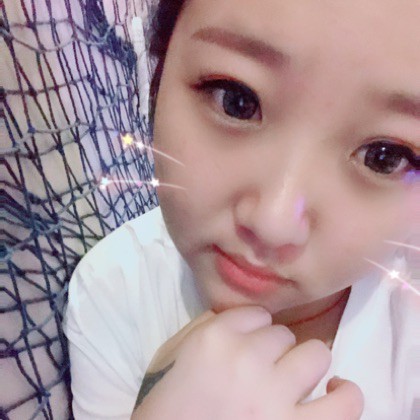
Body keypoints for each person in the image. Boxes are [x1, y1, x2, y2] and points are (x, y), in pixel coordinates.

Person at [64, 0, 420, 418]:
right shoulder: (114, 292)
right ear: (156, 75)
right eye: (236, 100)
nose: (274, 222)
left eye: (384, 157)